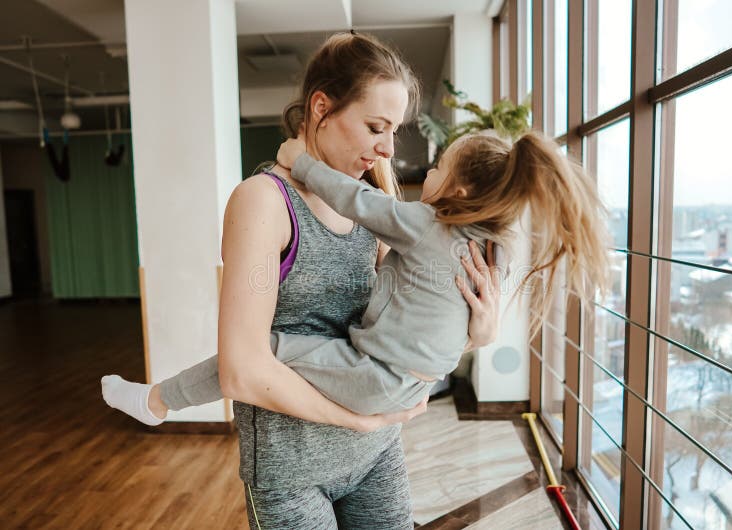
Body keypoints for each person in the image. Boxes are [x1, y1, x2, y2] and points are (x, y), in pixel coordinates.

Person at [102, 32, 502, 529]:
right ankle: (157, 400)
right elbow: (241, 370)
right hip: (292, 474)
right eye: (377, 126)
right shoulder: (264, 201)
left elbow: (412, 328)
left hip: (377, 456)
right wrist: (356, 418)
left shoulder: (374, 198)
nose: (387, 148)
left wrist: (477, 335)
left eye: (394, 130)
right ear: (321, 107)